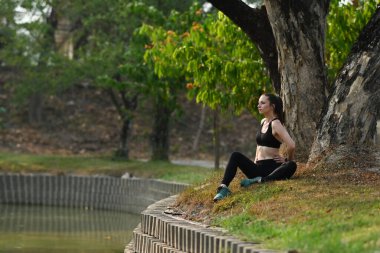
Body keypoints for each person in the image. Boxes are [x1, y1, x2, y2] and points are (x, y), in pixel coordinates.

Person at [213, 93, 297, 202]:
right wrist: (253, 162)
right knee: (235, 155)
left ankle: (262, 180)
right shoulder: (263, 122)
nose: (259, 105)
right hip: (257, 167)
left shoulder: (276, 124)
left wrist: (287, 160)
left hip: (270, 168)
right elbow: (259, 147)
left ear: (272, 106)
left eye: (262, 103)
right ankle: (223, 188)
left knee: (292, 165)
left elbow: (292, 145)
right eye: (258, 103)